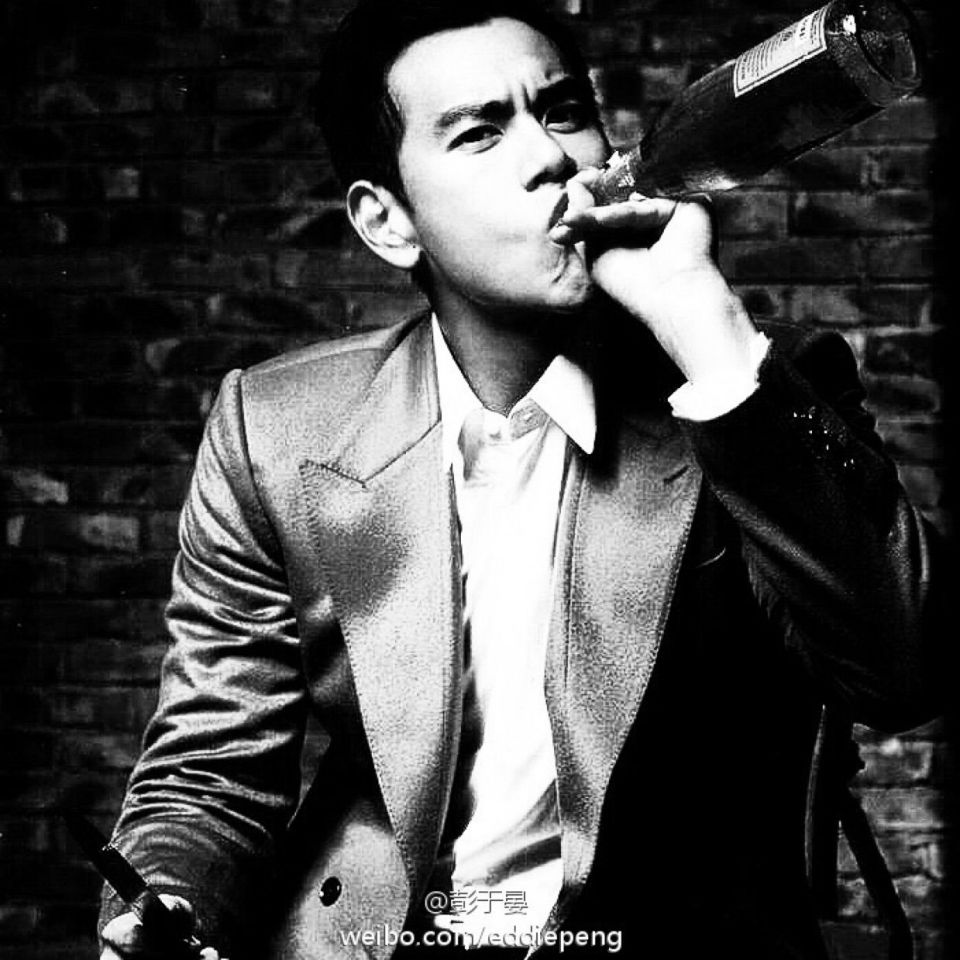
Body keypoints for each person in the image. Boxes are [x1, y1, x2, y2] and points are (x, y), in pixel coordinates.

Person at [98, 1, 943, 958]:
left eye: (564, 111)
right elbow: (208, 775)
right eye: (479, 133)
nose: (550, 157)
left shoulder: (750, 382)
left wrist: (700, 329)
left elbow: (905, 671)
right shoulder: (278, 428)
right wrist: (169, 904)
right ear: (388, 221)